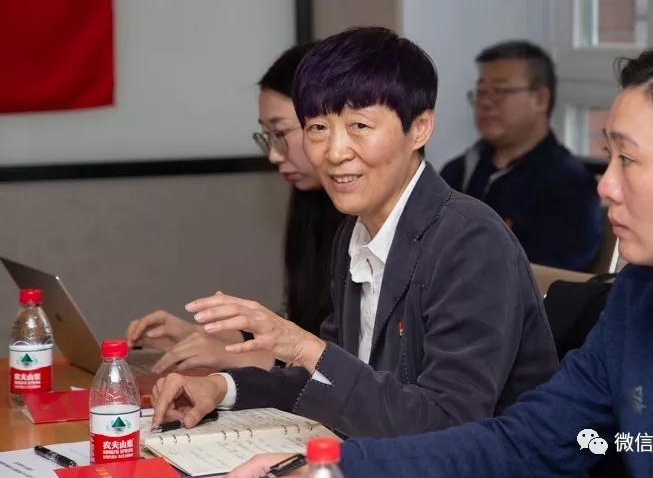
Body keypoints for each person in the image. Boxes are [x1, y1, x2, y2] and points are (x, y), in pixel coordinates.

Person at [227, 36, 653, 478]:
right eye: (608, 156)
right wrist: (337, 470)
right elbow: (532, 440)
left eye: (628, 160)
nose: (604, 186)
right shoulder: (643, 290)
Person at [149, 26, 559, 439]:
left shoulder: (471, 240)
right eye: (317, 128)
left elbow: (449, 424)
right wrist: (222, 387)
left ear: (420, 127)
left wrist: (305, 346)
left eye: (359, 125)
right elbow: (340, 382)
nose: (334, 152)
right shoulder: (354, 233)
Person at [126, 42, 343, 373]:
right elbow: (303, 329)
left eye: (281, 133)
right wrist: (199, 337)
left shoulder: (366, 216)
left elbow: (347, 364)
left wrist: (236, 357)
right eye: (266, 136)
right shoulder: (311, 201)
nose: (274, 154)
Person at [440, 40, 604, 272]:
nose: (485, 103)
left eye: (499, 91)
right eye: (481, 92)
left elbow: (547, 280)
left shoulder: (570, 187)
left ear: (540, 99)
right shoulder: (457, 171)